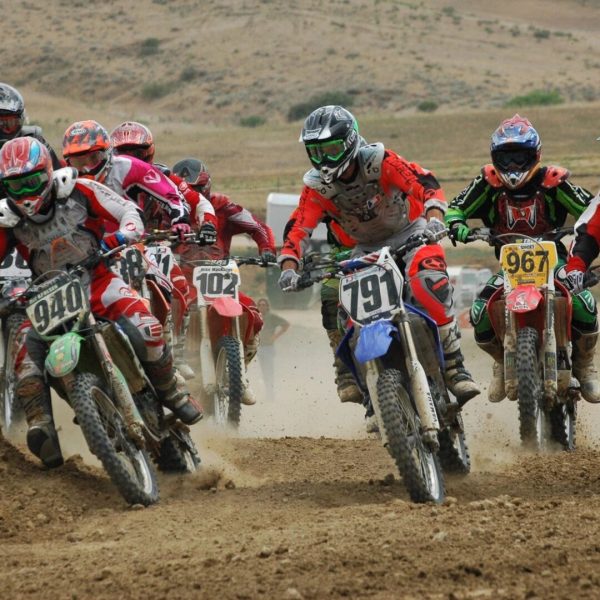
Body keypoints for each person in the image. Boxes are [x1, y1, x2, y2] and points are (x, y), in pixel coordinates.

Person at [0, 137, 202, 468]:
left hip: (97, 279)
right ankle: (41, 428)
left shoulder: (79, 190)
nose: (24, 193)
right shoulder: (7, 220)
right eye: (15, 185)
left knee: (146, 328)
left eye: (31, 182)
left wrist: (124, 234)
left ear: (48, 174)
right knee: (26, 359)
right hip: (46, 298)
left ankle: (172, 392)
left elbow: (127, 210)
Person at [278, 105, 480, 412]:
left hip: (412, 233)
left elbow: (423, 182)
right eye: (315, 151)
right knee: (343, 303)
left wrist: (436, 218)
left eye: (330, 149)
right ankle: (365, 385)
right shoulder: (317, 186)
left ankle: (454, 365)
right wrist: (289, 266)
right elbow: (298, 226)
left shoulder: (379, 161)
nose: (323, 160)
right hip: (363, 249)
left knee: (427, 279)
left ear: (348, 142)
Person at [445, 114, 599, 403]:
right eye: (507, 158)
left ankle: (584, 365)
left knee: (583, 303)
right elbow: (456, 206)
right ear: (495, 157)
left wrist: (582, 229)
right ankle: (503, 364)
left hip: (554, 262)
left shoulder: (553, 181)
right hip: (509, 268)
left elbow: (590, 208)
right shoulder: (488, 182)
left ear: (535, 155)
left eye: (521, 157)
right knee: (480, 311)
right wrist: (458, 226)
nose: (513, 166)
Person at [61, 119, 195, 379]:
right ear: (67, 162)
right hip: (84, 254)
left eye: (94, 157)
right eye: (79, 161)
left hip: (130, 241)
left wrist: (179, 217)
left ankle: (167, 345)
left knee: (163, 276)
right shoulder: (64, 181)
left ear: (107, 152)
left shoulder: (129, 167)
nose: (87, 167)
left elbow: (170, 194)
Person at [108, 121, 218, 379]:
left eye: (135, 152)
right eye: (122, 152)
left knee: (179, 286)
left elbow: (198, 202)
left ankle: (175, 354)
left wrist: (208, 225)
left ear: (148, 152)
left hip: (153, 243)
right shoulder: (105, 177)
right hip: (112, 247)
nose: (129, 158)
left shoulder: (163, 175)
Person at [171, 157, 277, 405]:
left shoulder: (223, 206)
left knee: (252, 312)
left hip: (219, 276)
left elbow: (257, 227)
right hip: (184, 279)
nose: (191, 197)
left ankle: (240, 372)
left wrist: (267, 249)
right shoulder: (169, 207)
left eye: (196, 191)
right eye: (185, 191)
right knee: (165, 312)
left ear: (205, 188)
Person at [0, 83, 62, 199]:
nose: (1, 133)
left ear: (20, 121)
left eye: (7, 124)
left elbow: (58, 176)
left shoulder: (34, 141)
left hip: (34, 206)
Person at [256, 297, 290, 400]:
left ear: (267, 306)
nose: (262, 307)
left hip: (268, 347)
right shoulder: (256, 316)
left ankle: (270, 393)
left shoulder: (272, 317)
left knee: (269, 371)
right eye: (260, 305)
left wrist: (275, 337)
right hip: (258, 347)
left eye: (264, 305)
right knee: (263, 370)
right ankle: (267, 391)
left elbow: (286, 324)